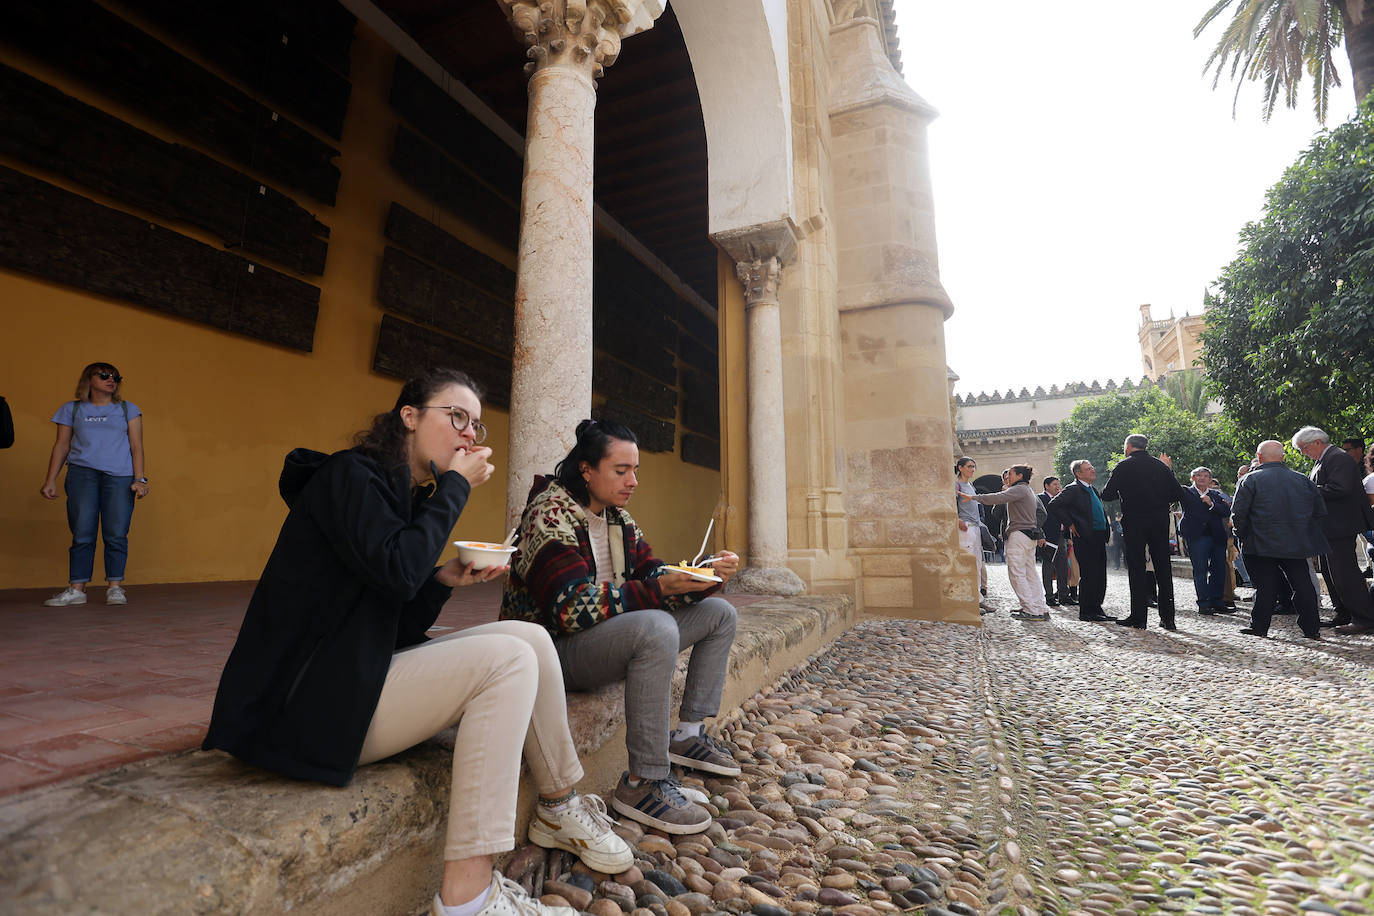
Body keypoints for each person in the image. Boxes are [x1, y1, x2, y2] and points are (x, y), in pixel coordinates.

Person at [202, 370, 630, 916]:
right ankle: (468, 898)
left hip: (349, 681)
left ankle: (559, 803)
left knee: (530, 637)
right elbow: (399, 569)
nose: (469, 434)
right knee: (507, 660)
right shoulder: (348, 477)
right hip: (304, 710)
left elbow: (395, 607)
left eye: (475, 424)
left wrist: (444, 579)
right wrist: (453, 486)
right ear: (409, 416)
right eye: (456, 417)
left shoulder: (396, 495)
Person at [501, 419, 741, 835]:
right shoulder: (550, 513)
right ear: (586, 470)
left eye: (636, 471)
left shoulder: (617, 520)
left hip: (601, 641)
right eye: (621, 470)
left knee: (720, 613)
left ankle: (686, 735)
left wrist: (704, 577)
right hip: (553, 650)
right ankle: (642, 781)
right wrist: (657, 588)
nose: (633, 481)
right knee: (655, 627)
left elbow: (653, 574)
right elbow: (568, 610)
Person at [38, 362, 149, 607]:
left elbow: (136, 446)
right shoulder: (72, 409)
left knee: (116, 533)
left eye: (116, 377)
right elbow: (62, 446)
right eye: (105, 375)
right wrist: (50, 480)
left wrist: (139, 479)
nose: (112, 380)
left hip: (119, 477)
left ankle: (115, 587)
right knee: (82, 532)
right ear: (89, 379)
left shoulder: (127, 409)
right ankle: (77, 589)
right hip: (82, 475)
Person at [1232, 440, 1327, 639]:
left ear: (1259, 457)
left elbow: (1239, 514)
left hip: (1260, 542)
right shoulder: (1302, 479)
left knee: (1266, 586)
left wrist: (1242, 536)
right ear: (1283, 457)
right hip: (1296, 542)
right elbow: (1319, 511)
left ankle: (1260, 626)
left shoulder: (1250, 479)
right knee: (1303, 585)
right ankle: (1311, 628)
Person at [1293, 426, 1374, 634]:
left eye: (1304, 448)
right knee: (1332, 573)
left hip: (1340, 524)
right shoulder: (1324, 459)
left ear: (1317, 442)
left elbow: (1340, 488)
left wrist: (1307, 490)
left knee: (1345, 572)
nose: (1303, 452)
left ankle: (1364, 618)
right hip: (1330, 525)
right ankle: (1344, 612)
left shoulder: (1338, 458)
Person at [1100, 434, 1186, 630]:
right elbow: (1178, 493)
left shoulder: (1124, 466)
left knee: (1137, 568)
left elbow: (1107, 494)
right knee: (1163, 568)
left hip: (1135, 520)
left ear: (1128, 446)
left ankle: (1139, 617)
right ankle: (1168, 618)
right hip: (1159, 520)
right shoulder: (1160, 466)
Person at [961, 464, 1051, 621]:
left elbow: (997, 498)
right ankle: (1039, 607)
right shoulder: (1027, 489)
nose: (1007, 477)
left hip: (1019, 536)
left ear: (1020, 476)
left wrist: (973, 497)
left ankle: (1031, 609)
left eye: (1010, 474)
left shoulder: (1019, 489)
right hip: (1028, 536)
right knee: (1030, 574)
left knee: (1017, 574)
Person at [1048, 460, 1116, 623]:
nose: (1092, 470)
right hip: (1085, 536)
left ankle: (1097, 608)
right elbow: (1054, 504)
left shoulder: (1092, 489)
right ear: (1078, 473)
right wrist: (1070, 523)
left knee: (1100, 575)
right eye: (1088, 468)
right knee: (1089, 574)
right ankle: (1086, 611)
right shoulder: (1073, 489)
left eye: (1092, 467)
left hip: (1099, 536)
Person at [1177, 467, 1233, 615]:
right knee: (1201, 570)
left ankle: (1217, 601)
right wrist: (1167, 468)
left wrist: (1211, 504)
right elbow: (1172, 486)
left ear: (1210, 480)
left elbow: (1226, 511)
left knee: (1219, 570)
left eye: (1206, 476)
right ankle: (1204, 603)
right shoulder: (1186, 492)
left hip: (1217, 537)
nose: (1202, 478)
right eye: (1199, 475)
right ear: (1192, 478)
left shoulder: (1215, 495)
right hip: (1197, 537)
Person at [955, 457, 989, 611]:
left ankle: (977, 599)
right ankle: (968, 600)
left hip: (975, 527)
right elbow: (950, 503)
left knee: (976, 564)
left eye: (974, 467)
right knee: (967, 564)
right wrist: (957, 520)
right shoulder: (956, 484)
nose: (972, 469)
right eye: (969, 466)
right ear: (960, 468)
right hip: (965, 528)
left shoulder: (971, 485)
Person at [1038, 476, 1070, 607]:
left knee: (1063, 567)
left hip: (1061, 535)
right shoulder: (1040, 498)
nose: (1058, 486)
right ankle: (1049, 596)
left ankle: (1063, 595)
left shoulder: (1061, 498)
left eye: (1059, 484)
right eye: (1055, 484)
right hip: (1048, 537)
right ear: (1047, 486)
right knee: (1048, 567)